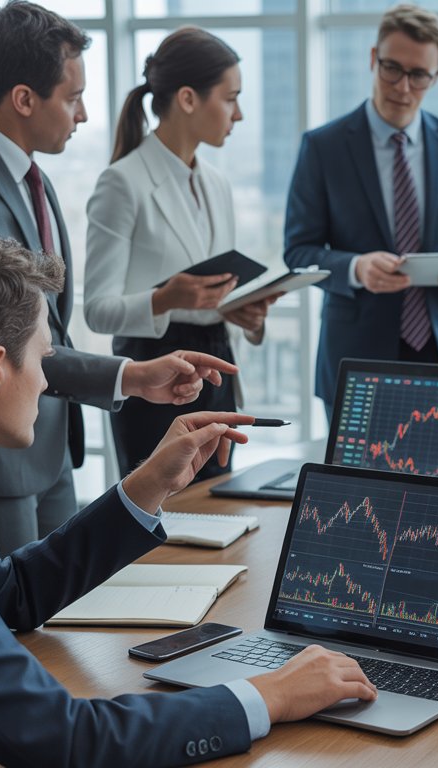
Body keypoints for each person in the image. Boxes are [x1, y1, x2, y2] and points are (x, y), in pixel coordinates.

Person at [0, 230, 376, 766]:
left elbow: (8, 593)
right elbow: (64, 741)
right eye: (42, 358)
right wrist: (268, 696)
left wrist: (148, 485)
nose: (43, 381)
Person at [0, 1, 234, 553]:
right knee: (13, 627)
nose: (84, 115)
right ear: (24, 99)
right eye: (72, 98)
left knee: (62, 622)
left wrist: (134, 376)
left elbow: (46, 328)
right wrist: (130, 375)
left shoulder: (37, 179)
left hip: (50, 446)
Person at [85, 27, 277, 480]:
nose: (240, 114)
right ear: (188, 99)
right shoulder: (122, 183)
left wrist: (242, 313)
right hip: (153, 378)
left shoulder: (217, 183)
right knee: (159, 527)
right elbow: (96, 311)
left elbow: (214, 296)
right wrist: (166, 299)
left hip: (216, 373)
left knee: (222, 519)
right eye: (230, 99)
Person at [283, 3, 438, 414]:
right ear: (373, 59)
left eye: (419, 76)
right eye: (392, 68)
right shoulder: (324, 147)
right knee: (355, 480)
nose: (403, 87)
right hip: (355, 359)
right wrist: (356, 268)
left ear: (437, 77)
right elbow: (298, 251)